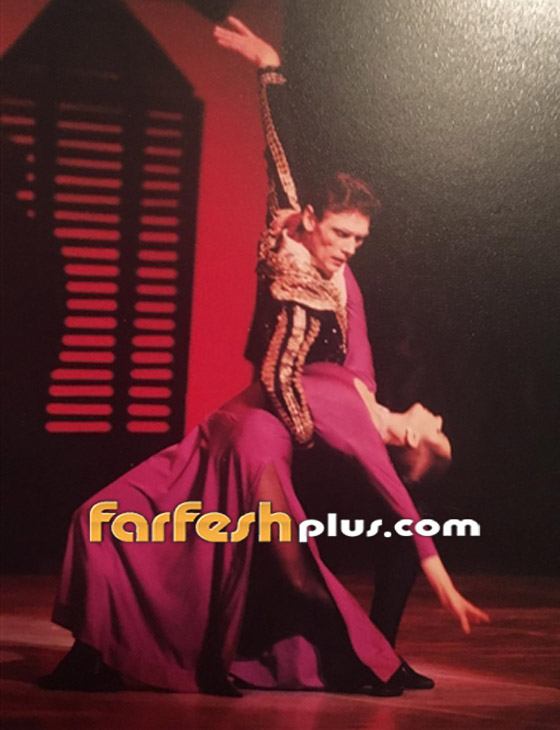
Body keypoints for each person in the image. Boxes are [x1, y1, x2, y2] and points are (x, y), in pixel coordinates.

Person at [39, 17, 488, 698]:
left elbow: (388, 476)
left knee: (283, 562)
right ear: (311, 219)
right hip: (236, 426)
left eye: (357, 240)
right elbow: (281, 157)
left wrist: (444, 582)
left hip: (271, 441)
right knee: (103, 518)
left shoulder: (350, 372)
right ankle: (93, 653)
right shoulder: (299, 247)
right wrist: (269, 68)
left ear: (411, 440)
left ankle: (370, 659)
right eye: (342, 234)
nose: (348, 249)